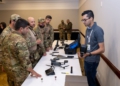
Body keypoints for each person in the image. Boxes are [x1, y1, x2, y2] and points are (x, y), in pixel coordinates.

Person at [1, 18, 41, 86]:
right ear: (21, 29)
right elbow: (25, 60)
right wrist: (33, 72)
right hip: (19, 72)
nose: (28, 30)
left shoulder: (6, 37)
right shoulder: (20, 40)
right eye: (27, 28)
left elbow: (2, 53)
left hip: (8, 70)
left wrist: (2, 65)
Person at [78, 10, 105, 86]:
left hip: (93, 61)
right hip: (87, 58)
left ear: (91, 18)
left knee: (91, 82)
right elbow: (86, 42)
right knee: (87, 79)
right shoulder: (88, 29)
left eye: (85, 20)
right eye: (82, 20)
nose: (83, 22)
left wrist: (89, 54)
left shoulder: (98, 30)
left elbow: (102, 49)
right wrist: (81, 51)